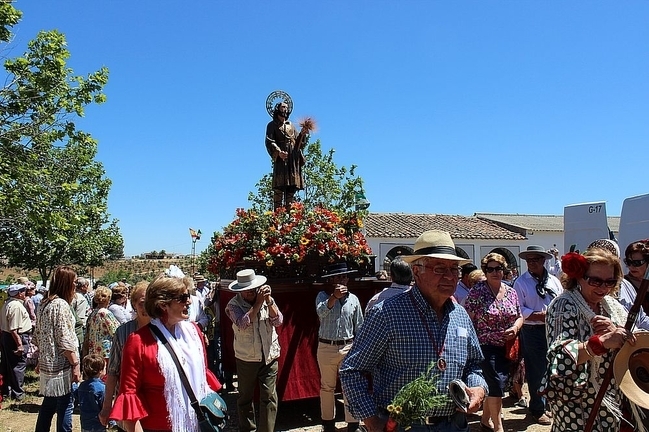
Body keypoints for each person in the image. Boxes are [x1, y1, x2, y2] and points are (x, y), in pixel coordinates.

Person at [340, 230, 487, 432]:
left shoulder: (460, 315)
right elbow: (352, 370)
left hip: (455, 424)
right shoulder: (387, 314)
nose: (449, 276)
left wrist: (478, 387)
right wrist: (372, 420)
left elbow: (474, 365)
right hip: (404, 426)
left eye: (454, 269)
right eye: (439, 269)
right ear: (416, 271)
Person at [109, 271, 221, 432]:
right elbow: (129, 394)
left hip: (198, 425)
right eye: (182, 298)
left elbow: (203, 378)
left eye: (188, 295)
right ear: (163, 305)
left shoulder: (194, 333)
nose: (189, 301)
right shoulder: (138, 341)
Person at [541, 248, 633, 431]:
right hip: (575, 399)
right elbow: (559, 356)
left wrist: (618, 333)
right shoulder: (564, 305)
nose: (603, 288)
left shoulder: (613, 307)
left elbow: (633, 342)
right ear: (579, 277)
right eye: (595, 280)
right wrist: (601, 342)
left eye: (610, 282)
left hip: (610, 396)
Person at [464, 253, 524, 432]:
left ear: (503, 270)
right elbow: (467, 317)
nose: (495, 272)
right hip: (485, 346)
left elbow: (520, 316)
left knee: (498, 384)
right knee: (496, 385)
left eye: (498, 268)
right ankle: (498, 427)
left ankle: (484, 421)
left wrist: (515, 328)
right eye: (490, 269)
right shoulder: (477, 291)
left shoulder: (511, 292)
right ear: (485, 271)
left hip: (507, 346)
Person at [226, 269, 282, 432]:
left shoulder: (266, 300)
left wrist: (269, 301)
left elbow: (278, 321)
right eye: (246, 290)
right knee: (245, 397)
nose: (250, 292)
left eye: (252, 289)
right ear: (240, 291)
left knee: (269, 397)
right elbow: (243, 323)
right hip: (246, 359)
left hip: (269, 356)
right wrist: (258, 303)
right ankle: (248, 429)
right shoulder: (233, 305)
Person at [512, 245, 563, 425]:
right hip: (532, 330)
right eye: (529, 260)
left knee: (553, 368)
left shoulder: (554, 281)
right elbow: (518, 308)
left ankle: (550, 405)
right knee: (536, 370)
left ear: (543, 260)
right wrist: (538, 315)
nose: (531, 263)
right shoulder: (521, 282)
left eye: (535, 260)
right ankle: (537, 408)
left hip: (553, 329)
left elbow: (560, 300)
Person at [316, 262, 364, 432]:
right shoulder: (322, 296)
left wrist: (358, 350)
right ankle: (328, 423)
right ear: (331, 280)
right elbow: (321, 312)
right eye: (338, 277)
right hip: (326, 346)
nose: (342, 280)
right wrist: (334, 297)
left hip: (347, 346)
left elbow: (359, 326)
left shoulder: (354, 299)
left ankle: (352, 424)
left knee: (349, 386)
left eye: (344, 277)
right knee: (327, 387)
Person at [34, 265, 81, 432]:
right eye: (74, 282)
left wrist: (41, 357)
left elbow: (38, 334)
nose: (76, 285)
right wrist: (75, 364)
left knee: (49, 404)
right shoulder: (60, 304)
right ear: (66, 283)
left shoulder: (44, 302)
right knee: (65, 405)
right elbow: (64, 338)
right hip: (62, 366)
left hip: (49, 363)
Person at [98, 281, 150, 428]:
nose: (145, 307)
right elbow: (113, 371)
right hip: (129, 405)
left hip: (155, 402)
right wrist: (107, 406)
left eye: (149, 303)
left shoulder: (163, 331)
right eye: (141, 303)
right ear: (133, 304)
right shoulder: (123, 332)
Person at [265, 101, 309, 210]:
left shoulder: (291, 126)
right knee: (279, 187)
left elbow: (298, 143)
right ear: (277, 109)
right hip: (281, 159)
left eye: (286, 107)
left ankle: (290, 216)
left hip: (292, 158)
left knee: (291, 188)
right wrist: (278, 152)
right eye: (283, 107)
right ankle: (277, 215)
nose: (285, 109)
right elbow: (269, 140)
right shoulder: (272, 125)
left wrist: (303, 134)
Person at [0, 284, 32, 400]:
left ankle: (7, 391)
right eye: (24, 291)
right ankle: (18, 393)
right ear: (19, 293)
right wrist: (19, 345)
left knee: (7, 365)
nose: (25, 293)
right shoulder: (16, 306)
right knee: (18, 365)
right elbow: (14, 329)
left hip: (6, 336)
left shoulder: (7, 304)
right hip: (15, 337)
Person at [83, 286, 120, 362]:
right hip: (105, 351)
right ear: (109, 298)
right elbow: (116, 331)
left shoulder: (93, 313)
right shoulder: (105, 313)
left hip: (94, 350)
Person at [77, 354, 106, 432]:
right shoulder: (102, 388)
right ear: (100, 371)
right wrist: (111, 422)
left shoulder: (82, 386)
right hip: (98, 424)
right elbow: (105, 405)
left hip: (85, 423)